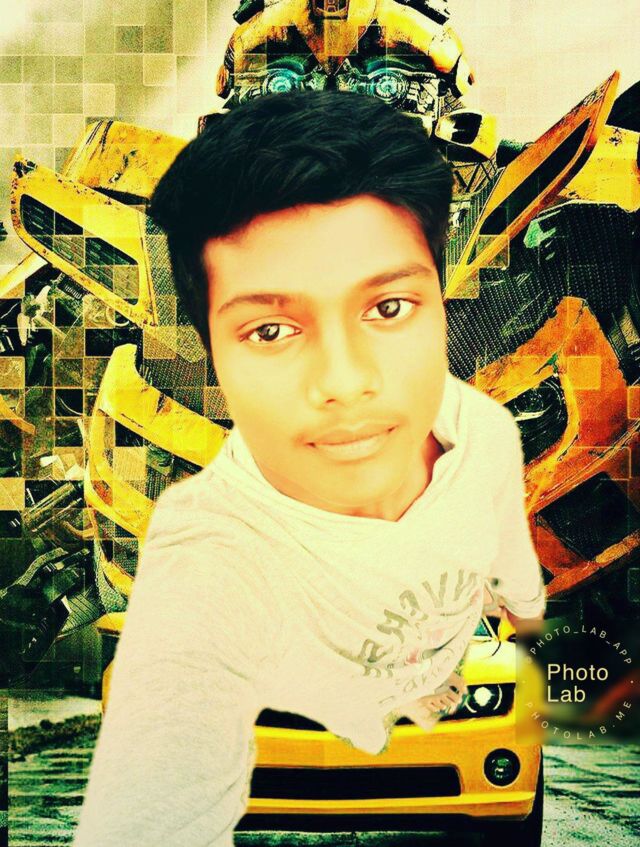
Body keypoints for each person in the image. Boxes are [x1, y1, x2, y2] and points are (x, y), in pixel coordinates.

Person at [73, 90, 545, 846]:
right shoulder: (198, 552)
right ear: (210, 351)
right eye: (271, 329)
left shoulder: (482, 434)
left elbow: (515, 574)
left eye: (387, 309)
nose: (344, 379)